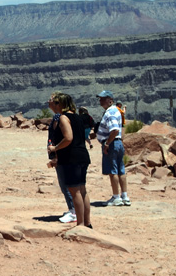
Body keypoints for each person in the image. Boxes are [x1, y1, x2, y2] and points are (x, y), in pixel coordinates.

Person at [46, 92, 94, 228]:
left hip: (71, 157)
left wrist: (55, 148)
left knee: (75, 191)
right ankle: (87, 222)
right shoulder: (78, 117)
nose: (54, 105)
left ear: (60, 104)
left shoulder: (63, 118)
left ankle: (80, 224)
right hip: (83, 155)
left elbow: (68, 138)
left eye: (55, 103)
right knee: (82, 189)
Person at [96, 90, 130, 206]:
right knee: (121, 170)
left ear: (110, 100)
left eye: (103, 99)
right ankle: (124, 196)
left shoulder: (110, 112)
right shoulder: (116, 111)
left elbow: (114, 130)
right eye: (100, 99)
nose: (100, 101)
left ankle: (116, 197)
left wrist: (107, 143)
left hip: (112, 143)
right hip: (118, 142)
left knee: (113, 171)